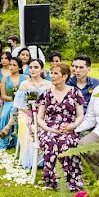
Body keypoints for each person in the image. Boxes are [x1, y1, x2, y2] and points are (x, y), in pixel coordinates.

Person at [36, 62, 85, 190]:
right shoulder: (46, 93)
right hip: (49, 128)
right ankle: (52, 179)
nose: (52, 76)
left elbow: (80, 116)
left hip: (68, 128)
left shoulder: (75, 92)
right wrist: (48, 129)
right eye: (51, 73)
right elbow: (40, 118)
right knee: (50, 141)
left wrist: (72, 126)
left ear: (64, 76)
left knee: (67, 142)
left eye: (55, 73)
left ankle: (69, 179)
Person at [12, 59, 52, 171]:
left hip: (44, 114)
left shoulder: (48, 84)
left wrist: (41, 114)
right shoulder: (24, 84)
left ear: (42, 69)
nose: (32, 70)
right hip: (27, 113)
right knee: (27, 125)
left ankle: (46, 158)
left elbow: (51, 102)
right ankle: (30, 159)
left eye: (36, 67)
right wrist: (32, 114)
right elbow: (20, 105)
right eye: (30, 67)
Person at [0, 58, 25, 150]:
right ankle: (5, 139)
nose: (11, 67)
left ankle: (18, 140)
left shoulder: (25, 78)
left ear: (19, 67)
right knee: (5, 115)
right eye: (10, 65)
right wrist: (14, 98)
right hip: (9, 102)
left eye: (14, 65)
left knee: (19, 112)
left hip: (22, 103)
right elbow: (3, 96)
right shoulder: (5, 79)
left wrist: (19, 100)